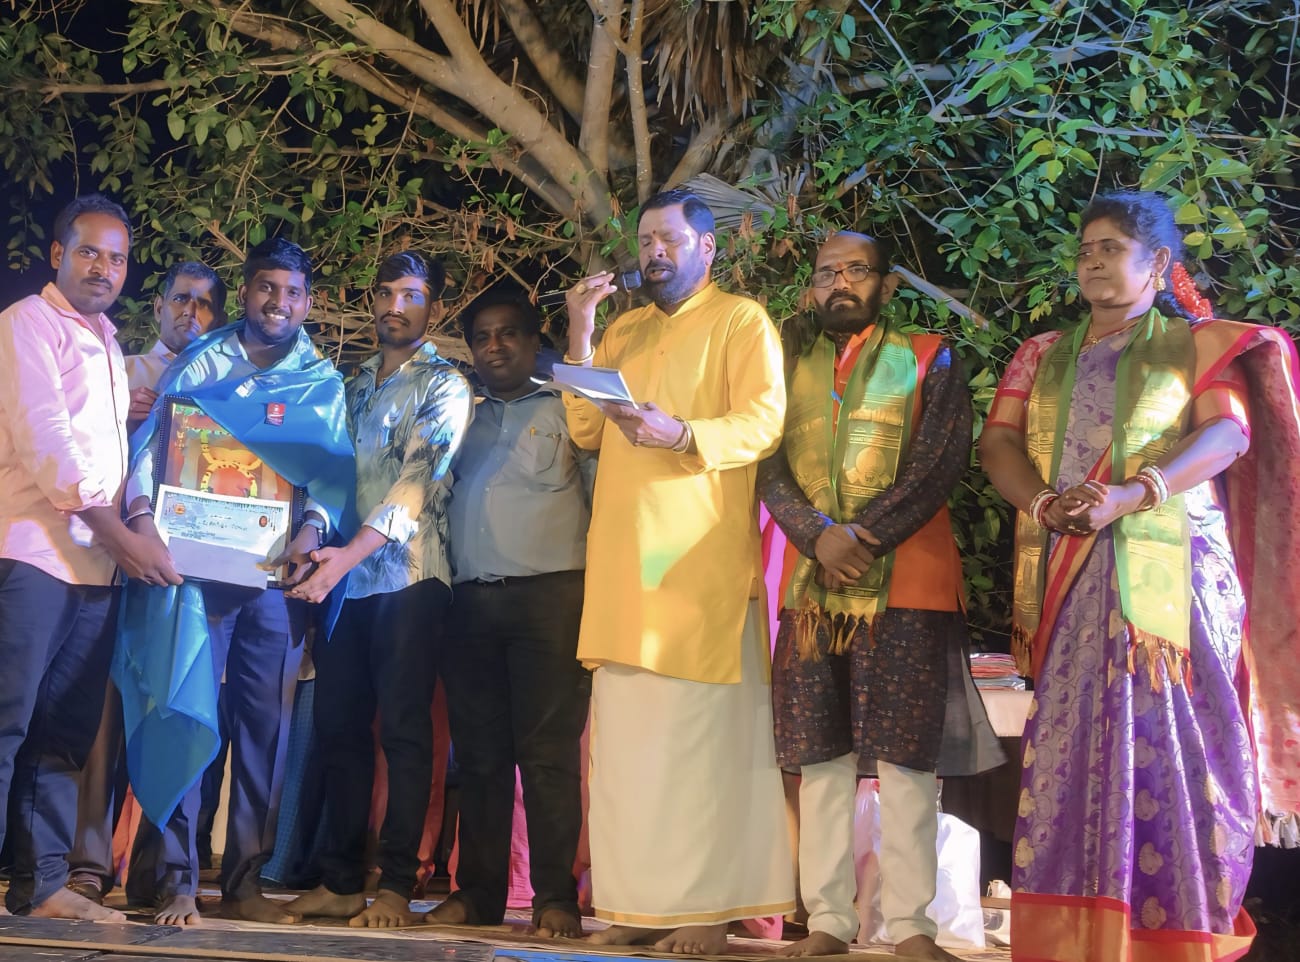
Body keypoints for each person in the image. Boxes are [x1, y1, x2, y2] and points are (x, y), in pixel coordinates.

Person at [979, 189, 1300, 962]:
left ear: (1158, 263)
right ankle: (1074, 938)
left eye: (1110, 248)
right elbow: (999, 444)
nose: (1092, 262)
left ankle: (1177, 932)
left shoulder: (1198, 345)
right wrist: (1045, 503)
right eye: (1085, 250)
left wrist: (1134, 493)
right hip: (1071, 566)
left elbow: (1226, 435)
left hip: (1174, 578)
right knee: (1071, 744)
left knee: (1175, 743)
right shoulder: (1040, 353)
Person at [757, 231, 1003, 960]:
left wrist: (858, 539)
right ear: (811, 286)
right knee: (821, 758)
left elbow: (938, 466)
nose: (840, 283)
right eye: (826, 272)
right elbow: (767, 464)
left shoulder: (932, 357)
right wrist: (815, 537)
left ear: (887, 285)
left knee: (905, 762)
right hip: (813, 591)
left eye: (856, 270)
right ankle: (828, 921)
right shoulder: (786, 365)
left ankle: (911, 926)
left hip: (908, 584)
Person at [563, 188, 794, 956]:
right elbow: (585, 426)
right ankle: (638, 907)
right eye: (645, 241)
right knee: (629, 755)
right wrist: (581, 330)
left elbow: (764, 422)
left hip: (697, 572)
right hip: (623, 572)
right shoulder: (625, 329)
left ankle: (709, 910)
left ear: (708, 247)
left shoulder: (741, 320)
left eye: (668, 238)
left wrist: (684, 433)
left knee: (702, 754)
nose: (653, 252)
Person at [115, 237, 355, 926]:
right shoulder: (201, 363)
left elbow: (331, 476)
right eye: (266, 288)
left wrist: (312, 531)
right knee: (183, 708)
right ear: (246, 292)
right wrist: (142, 520)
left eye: (292, 293)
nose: (279, 303)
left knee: (262, 733)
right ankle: (178, 880)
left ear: (308, 303)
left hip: (273, 580)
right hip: (192, 574)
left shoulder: (321, 383)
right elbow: (149, 452)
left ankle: (245, 884)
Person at [0, 194, 180, 920]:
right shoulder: (27, 324)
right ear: (57, 255)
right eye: (89, 252)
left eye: (117, 258)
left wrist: (140, 523)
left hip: (95, 570)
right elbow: (48, 442)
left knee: (62, 735)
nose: (104, 268)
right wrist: (123, 538)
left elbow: (114, 459)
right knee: (6, 723)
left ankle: (41, 884)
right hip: (32, 557)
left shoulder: (107, 341)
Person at [282, 251, 472, 927]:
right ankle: (339, 882)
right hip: (341, 584)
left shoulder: (447, 385)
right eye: (386, 292)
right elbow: (329, 477)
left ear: (434, 308)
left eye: (411, 295)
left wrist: (345, 557)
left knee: (404, 733)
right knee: (337, 727)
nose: (395, 306)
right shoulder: (350, 385)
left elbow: (417, 483)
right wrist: (310, 534)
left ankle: (394, 885)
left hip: (409, 580)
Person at [424, 290, 592, 938]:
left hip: (551, 601)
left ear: (533, 341)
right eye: (482, 337)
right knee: (480, 756)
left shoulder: (570, 410)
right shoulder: (458, 415)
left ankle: (555, 898)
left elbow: (602, 501)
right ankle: (477, 895)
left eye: (508, 334)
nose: (494, 347)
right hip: (469, 604)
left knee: (548, 756)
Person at [67, 260, 227, 905]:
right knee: (102, 720)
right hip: (108, 569)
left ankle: (156, 873)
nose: (192, 312)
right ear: (158, 307)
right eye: (181, 299)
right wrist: (128, 421)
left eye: (207, 304)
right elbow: (78, 457)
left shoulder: (226, 385)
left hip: (187, 581)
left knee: (172, 713)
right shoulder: (119, 371)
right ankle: (87, 862)